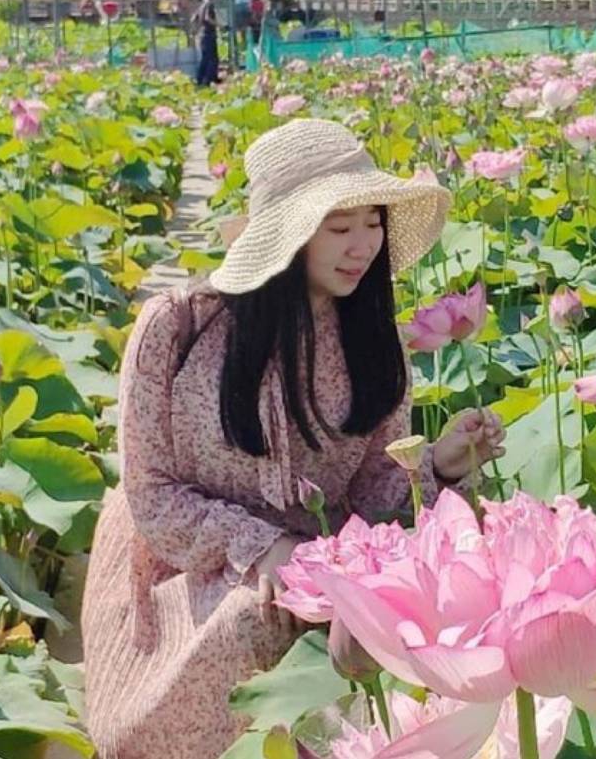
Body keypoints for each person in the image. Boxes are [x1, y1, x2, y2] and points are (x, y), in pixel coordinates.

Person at [81, 119, 507, 759]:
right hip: (186, 562)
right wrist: (266, 549)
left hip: (323, 568)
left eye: (373, 223)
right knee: (246, 629)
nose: (362, 244)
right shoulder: (178, 330)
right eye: (339, 227)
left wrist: (439, 467)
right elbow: (152, 495)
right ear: (286, 233)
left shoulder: (375, 344)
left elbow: (371, 498)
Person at [192, 0, 221, 87]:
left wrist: (197, 29)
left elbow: (194, 19)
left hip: (203, 34)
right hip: (209, 34)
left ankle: (200, 79)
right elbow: (208, 18)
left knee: (206, 58)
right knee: (212, 58)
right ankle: (209, 79)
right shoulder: (209, 5)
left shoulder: (202, 6)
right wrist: (219, 25)